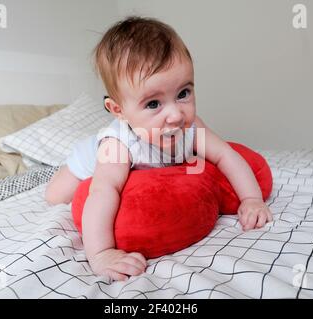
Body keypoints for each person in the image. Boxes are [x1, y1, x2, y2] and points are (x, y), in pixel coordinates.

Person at [45, 16, 273, 281]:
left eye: (183, 93)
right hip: (88, 158)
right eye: (153, 104)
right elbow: (103, 190)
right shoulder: (117, 145)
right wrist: (101, 253)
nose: (176, 114)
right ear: (118, 111)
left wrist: (251, 199)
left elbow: (225, 155)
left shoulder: (190, 127)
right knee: (55, 196)